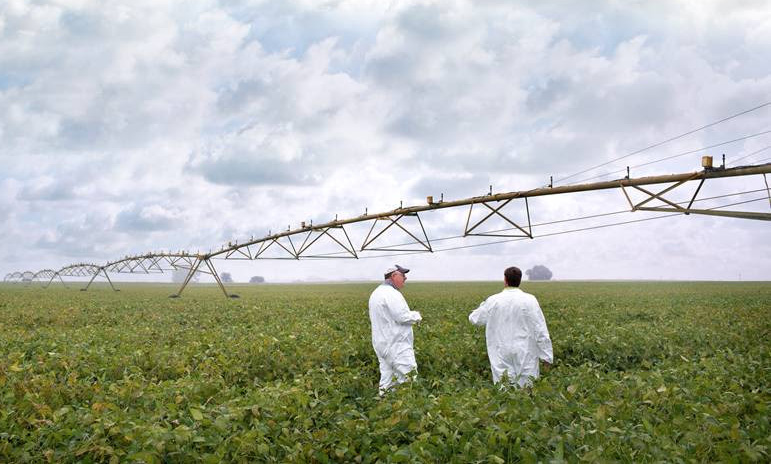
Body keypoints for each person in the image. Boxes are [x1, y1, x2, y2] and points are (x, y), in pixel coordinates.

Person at [469, 266, 553, 387]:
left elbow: (474, 319)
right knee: (527, 387)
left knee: (504, 387)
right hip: (525, 350)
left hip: (500, 350)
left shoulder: (493, 300)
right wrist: (547, 356)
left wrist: (483, 305)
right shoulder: (530, 300)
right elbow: (540, 328)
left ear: (505, 280)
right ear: (519, 280)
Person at [368, 264, 422, 394]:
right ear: (393, 276)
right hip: (397, 345)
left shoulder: (376, 293)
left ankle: (384, 405)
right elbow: (402, 317)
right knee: (409, 378)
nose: (405, 278)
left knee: (387, 380)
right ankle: (408, 408)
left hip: (382, 344)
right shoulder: (391, 294)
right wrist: (417, 315)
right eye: (402, 275)